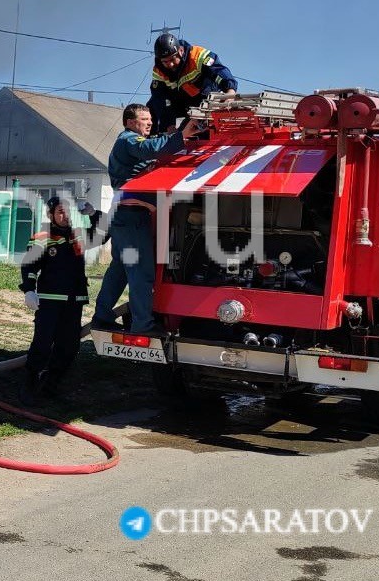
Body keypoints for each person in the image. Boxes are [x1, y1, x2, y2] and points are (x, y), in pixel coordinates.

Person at [91, 104, 200, 335]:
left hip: (124, 219)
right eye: (144, 119)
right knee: (141, 272)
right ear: (130, 122)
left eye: (151, 119)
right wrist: (181, 136)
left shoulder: (131, 142)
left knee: (120, 269)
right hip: (131, 219)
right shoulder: (129, 140)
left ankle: (102, 317)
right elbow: (150, 148)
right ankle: (143, 325)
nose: (150, 123)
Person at [18, 196, 102, 405]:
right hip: (49, 301)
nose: (65, 216)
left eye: (67, 212)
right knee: (43, 343)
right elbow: (29, 266)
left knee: (69, 347)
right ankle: (29, 384)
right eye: (60, 212)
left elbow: (104, 233)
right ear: (51, 215)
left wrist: (94, 214)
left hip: (74, 302)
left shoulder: (78, 237)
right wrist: (29, 290)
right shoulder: (43, 237)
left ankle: (50, 385)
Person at [146, 32, 237, 135]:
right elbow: (159, 98)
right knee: (151, 107)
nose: (170, 64)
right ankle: (152, 143)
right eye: (165, 61)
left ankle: (203, 132)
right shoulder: (158, 69)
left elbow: (219, 71)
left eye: (172, 59)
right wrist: (169, 126)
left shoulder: (197, 55)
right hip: (180, 102)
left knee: (200, 130)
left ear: (180, 51)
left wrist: (230, 91)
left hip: (202, 100)